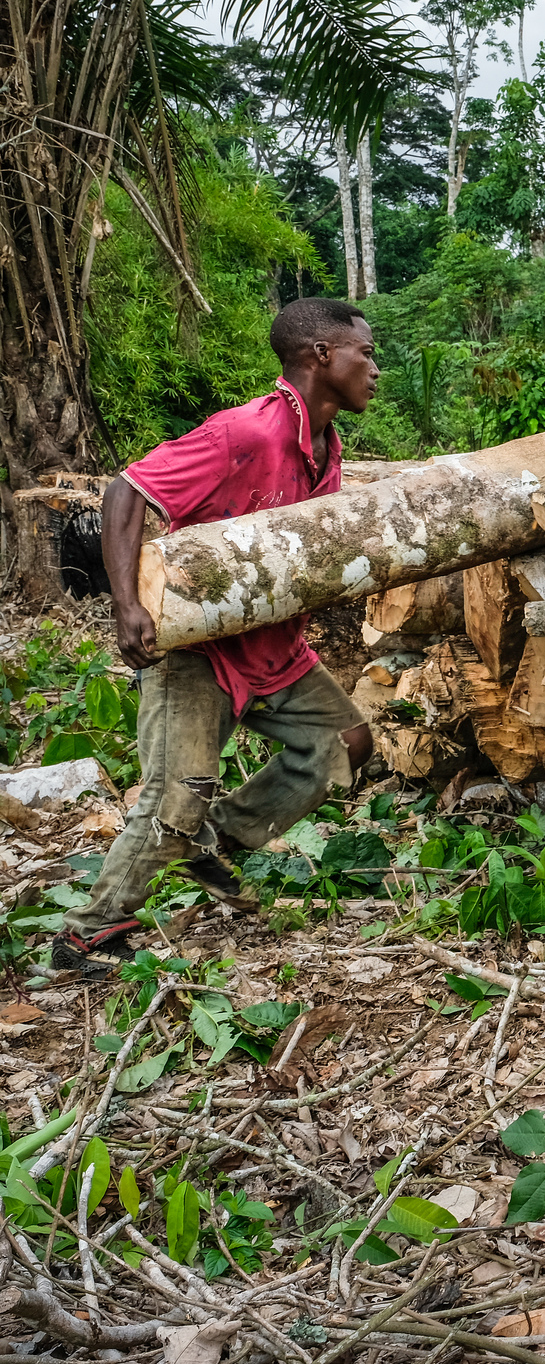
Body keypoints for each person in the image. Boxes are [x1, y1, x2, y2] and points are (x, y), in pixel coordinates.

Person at [53, 298, 382, 979]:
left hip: (273, 649)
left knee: (343, 743)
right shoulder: (247, 432)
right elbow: (127, 490)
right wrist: (125, 604)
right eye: (366, 353)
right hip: (198, 649)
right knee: (176, 800)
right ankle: (87, 935)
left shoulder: (327, 448)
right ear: (322, 355)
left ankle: (220, 841)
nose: (375, 369)